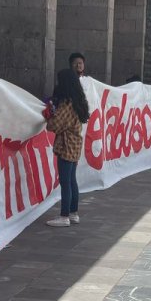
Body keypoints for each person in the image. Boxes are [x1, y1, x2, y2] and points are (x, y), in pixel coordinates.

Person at [43, 69, 90, 227]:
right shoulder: (78, 101)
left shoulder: (67, 103)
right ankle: (73, 213)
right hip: (75, 144)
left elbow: (54, 125)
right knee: (72, 180)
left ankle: (64, 216)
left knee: (65, 181)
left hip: (66, 145)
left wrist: (49, 115)